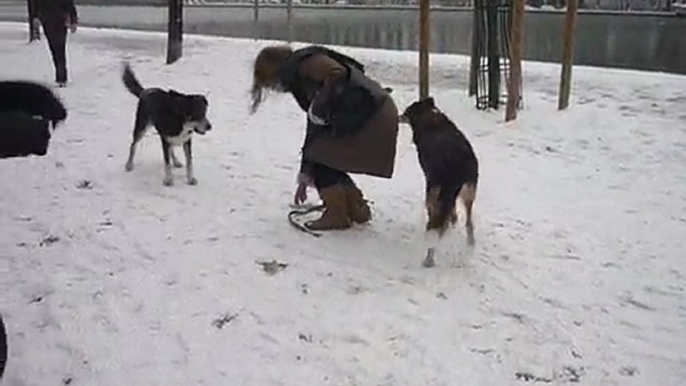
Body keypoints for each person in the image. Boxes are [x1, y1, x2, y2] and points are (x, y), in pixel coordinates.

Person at [251, 45, 399, 231]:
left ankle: (337, 214)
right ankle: (355, 208)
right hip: (372, 113)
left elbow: (336, 74)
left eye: (268, 81)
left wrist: (318, 108)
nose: (273, 87)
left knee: (323, 158)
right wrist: (305, 174)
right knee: (323, 156)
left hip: (372, 115)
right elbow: (315, 127)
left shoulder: (305, 64)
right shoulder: (300, 74)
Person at [32, 0, 78, 87]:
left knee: (58, 48)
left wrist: (73, 21)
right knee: (57, 49)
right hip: (53, 20)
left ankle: (61, 76)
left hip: (55, 20)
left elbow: (70, 5)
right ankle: (61, 76)